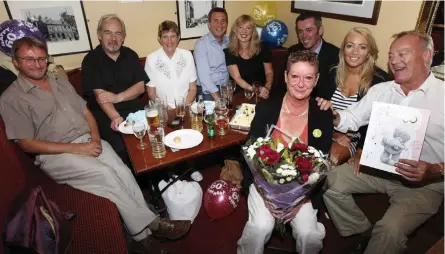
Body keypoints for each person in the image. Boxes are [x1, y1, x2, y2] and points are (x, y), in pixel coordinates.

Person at [0, 37, 191, 254]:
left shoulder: (58, 81)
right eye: (29, 59)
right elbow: (26, 143)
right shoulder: (11, 98)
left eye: (41, 58)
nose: (37, 64)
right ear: (16, 62)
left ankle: (144, 232)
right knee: (105, 174)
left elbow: (85, 112)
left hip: (88, 140)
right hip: (56, 154)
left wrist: (96, 138)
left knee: (122, 170)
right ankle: (148, 231)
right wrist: (78, 149)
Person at [323, 30, 444, 254]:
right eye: (391, 55)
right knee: (330, 182)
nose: (394, 61)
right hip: (379, 169)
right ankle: (361, 233)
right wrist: (334, 114)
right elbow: (351, 118)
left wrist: (435, 170)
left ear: (427, 56)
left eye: (403, 54)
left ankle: (379, 243)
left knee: (390, 230)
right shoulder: (381, 91)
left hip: (424, 184)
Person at [238, 51, 333, 254]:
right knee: (260, 227)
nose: (300, 84)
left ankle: (315, 228)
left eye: (308, 77)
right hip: (264, 185)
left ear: (316, 79)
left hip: (304, 191)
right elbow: (249, 157)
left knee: (308, 234)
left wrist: (299, 202)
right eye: (295, 76)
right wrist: (265, 196)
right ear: (285, 76)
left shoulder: (322, 115)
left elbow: (321, 164)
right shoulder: (266, 108)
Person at [82, 14, 148, 167]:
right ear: (99, 35)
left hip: (133, 109)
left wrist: (118, 97)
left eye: (118, 33)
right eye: (108, 33)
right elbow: (101, 97)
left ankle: (161, 177)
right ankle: (133, 184)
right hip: (106, 114)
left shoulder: (130, 55)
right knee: (121, 147)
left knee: (154, 133)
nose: (113, 38)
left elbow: (140, 87)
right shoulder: (91, 60)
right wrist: (116, 117)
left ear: (123, 37)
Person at [327, 27, 389, 166]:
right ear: (343, 50)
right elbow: (316, 107)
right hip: (325, 131)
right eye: (350, 46)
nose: (355, 52)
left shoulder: (379, 80)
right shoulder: (332, 72)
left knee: (328, 159)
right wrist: (333, 134)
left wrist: (361, 152)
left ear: (369, 53)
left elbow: (377, 123)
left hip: (355, 139)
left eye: (362, 47)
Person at [145, 20, 197, 108]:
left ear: (178, 38)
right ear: (159, 39)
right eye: (165, 37)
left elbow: (193, 89)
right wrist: (168, 109)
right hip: (163, 109)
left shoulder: (187, 55)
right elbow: (151, 93)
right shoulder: (151, 59)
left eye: (172, 36)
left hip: (186, 106)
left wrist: (182, 108)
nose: (169, 41)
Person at [288, 11, 339, 99]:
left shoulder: (335, 55)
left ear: (320, 31)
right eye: (300, 31)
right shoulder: (292, 51)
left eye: (309, 30)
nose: (304, 36)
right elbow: (282, 87)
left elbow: (329, 92)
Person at [224, 15, 273, 100]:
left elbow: (269, 72)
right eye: (240, 27)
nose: (244, 31)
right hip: (241, 95)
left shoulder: (263, 47)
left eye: (248, 28)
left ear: (253, 31)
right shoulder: (229, 52)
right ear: (235, 30)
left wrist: (267, 88)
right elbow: (237, 78)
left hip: (263, 93)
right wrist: (255, 90)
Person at [194, 7, 229, 101]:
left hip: (227, 87)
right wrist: (219, 99)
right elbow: (205, 79)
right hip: (207, 90)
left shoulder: (230, 42)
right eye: (216, 21)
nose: (220, 25)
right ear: (209, 24)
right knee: (213, 115)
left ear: (227, 24)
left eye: (223, 21)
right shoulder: (201, 45)